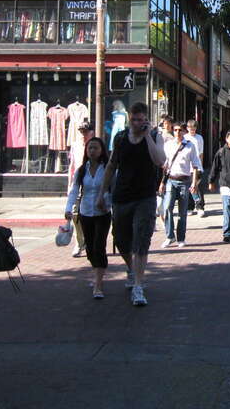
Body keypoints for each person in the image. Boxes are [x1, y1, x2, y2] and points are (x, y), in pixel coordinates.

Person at [98, 102, 166, 307]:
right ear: (129, 118)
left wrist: (146, 136)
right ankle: (131, 268)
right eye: (134, 119)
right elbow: (111, 166)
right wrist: (102, 193)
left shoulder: (154, 136)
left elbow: (160, 160)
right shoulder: (120, 138)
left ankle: (138, 285)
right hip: (122, 196)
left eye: (141, 119)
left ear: (146, 119)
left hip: (145, 197)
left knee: (141, 240)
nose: (137, 123)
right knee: (120, 240)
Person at [65, 137, 112, 299]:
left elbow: (113, 189)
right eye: (90, 148)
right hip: (85, 212)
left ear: (102, 151)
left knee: (99, 246)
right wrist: (68, 209)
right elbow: (74, 191)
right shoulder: (81, 170)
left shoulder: (107, 168)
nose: (92, 151)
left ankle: (98, 284)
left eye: (96, 148)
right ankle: (98, 271)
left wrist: (106, 202)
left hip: (102, 213)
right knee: (90, 249)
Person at [159, 122, 201, 249]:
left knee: (182, 212)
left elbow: (195, 165)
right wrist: (162, 182)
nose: (177, 132)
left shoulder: (190, 146)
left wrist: (194, 183)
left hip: (184, 181)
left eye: (180, 130)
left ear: (184, 131)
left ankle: (181, 238)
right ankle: (170, 236)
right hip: (171, 180)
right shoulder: (168, 145)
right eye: (175, 130)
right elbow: (165, 166)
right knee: (167, 208)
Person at [67, 120, 94, 258]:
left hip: (91, 186)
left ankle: (90, 242)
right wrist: (70, 185)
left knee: (89, 215)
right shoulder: (76, 145)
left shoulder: (95, 146)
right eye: (82, 132)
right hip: (77, 184)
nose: (83, 134)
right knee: (75, 214)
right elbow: (72, 166)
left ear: (91, 132)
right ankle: (79, 242)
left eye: (86, 132)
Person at [184, 119, 206, 217]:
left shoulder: (199, 138)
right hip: (187, 167)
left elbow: (201, 153)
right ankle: (189, 207)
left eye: (194, 128)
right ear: (187, 128)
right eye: (190, 128)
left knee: (198, 187)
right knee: (189, 187)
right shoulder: (184, 138)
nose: (192, 130)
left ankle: (200, 207)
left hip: (197, 166)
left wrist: (201, 165)